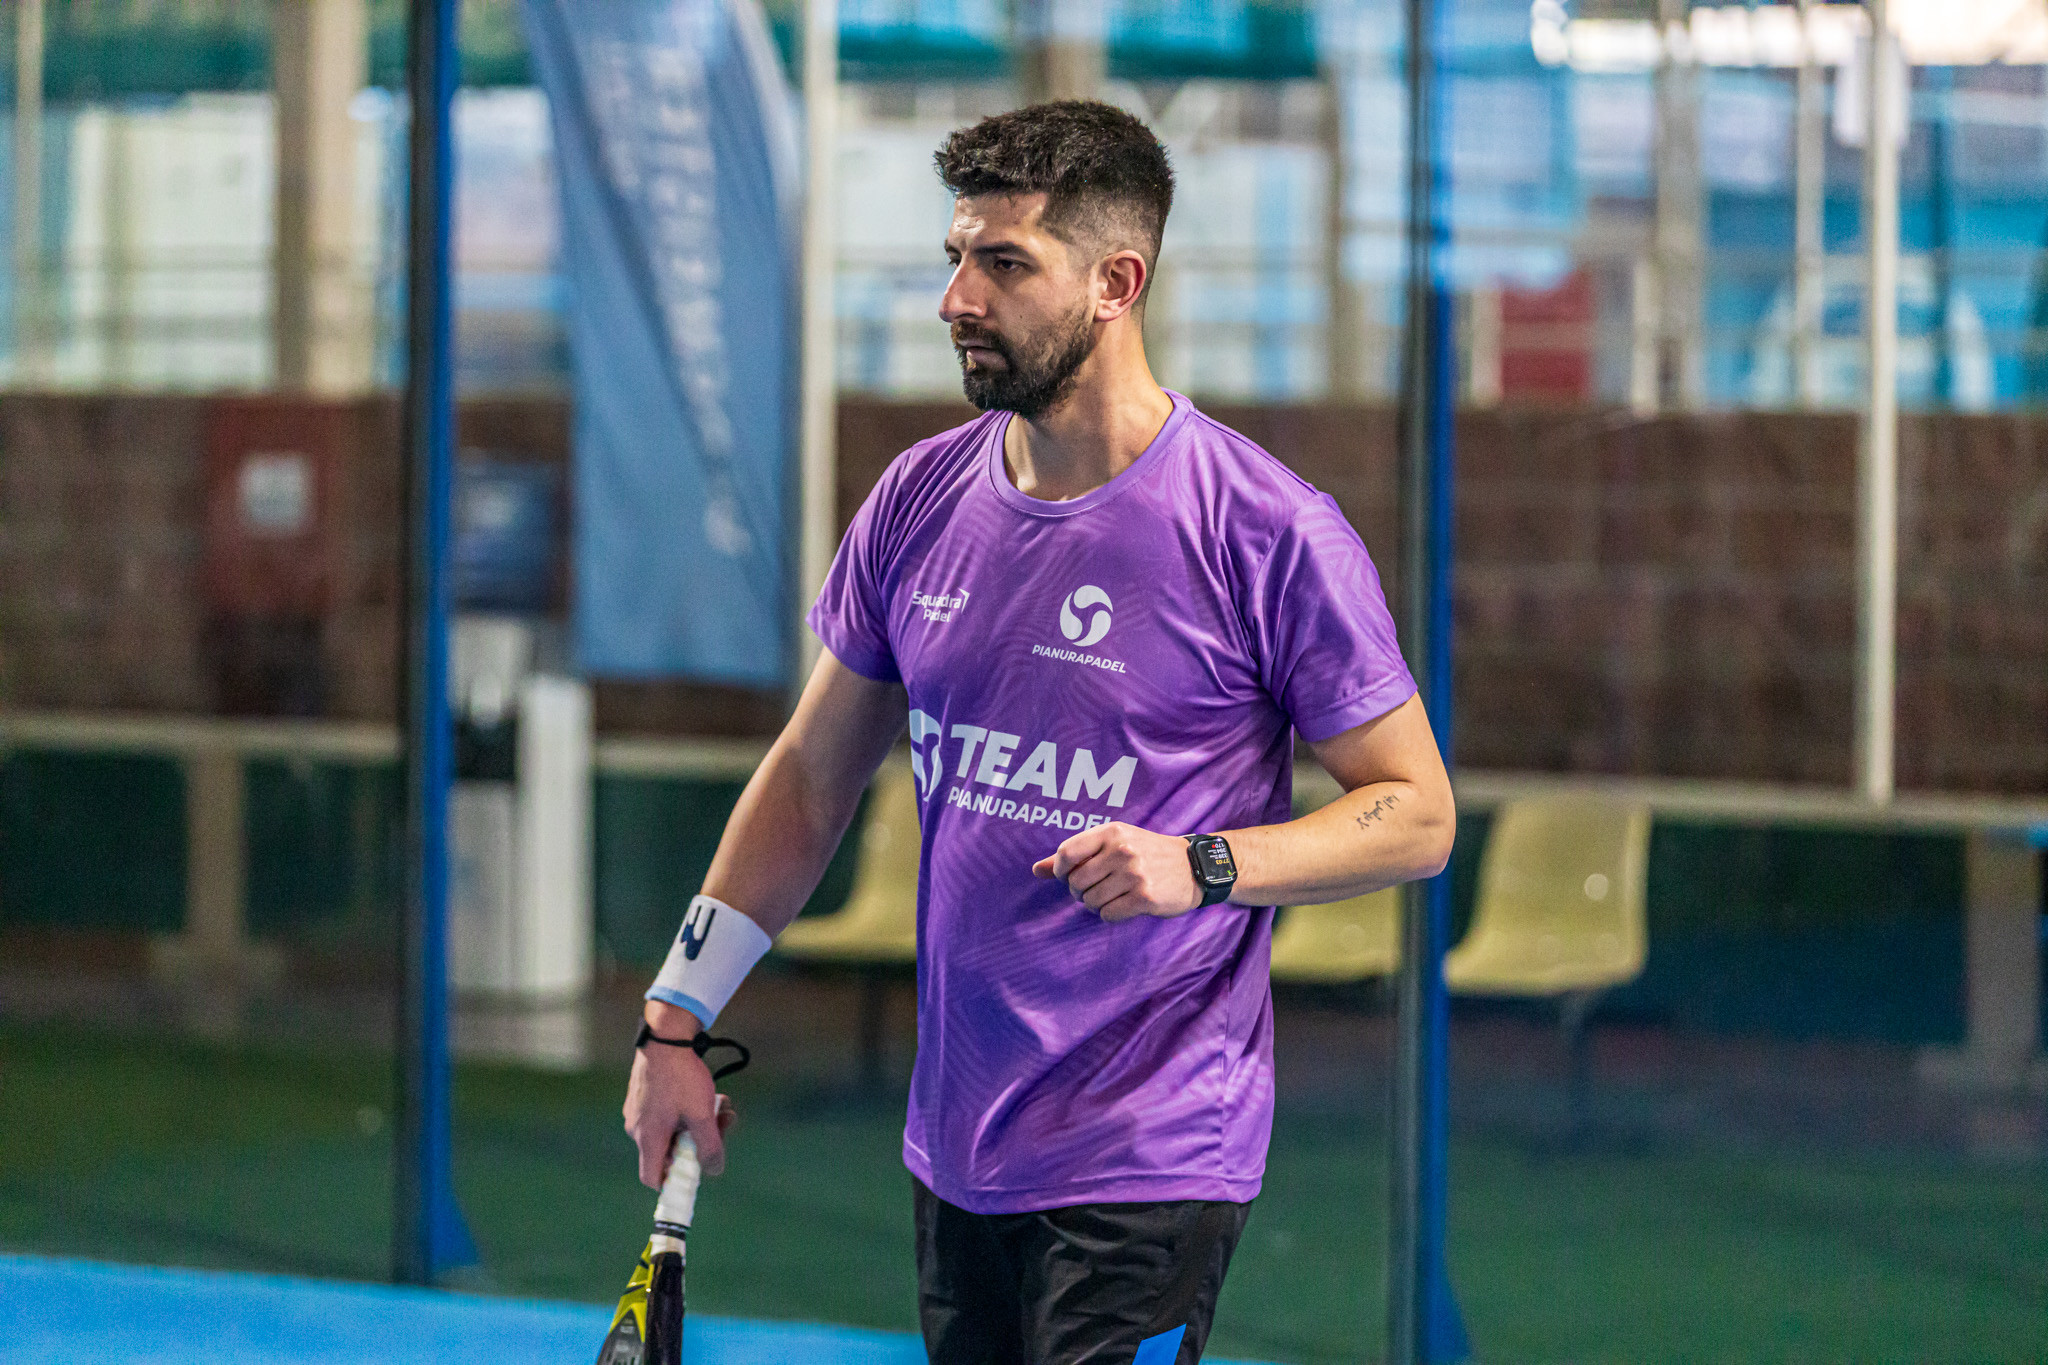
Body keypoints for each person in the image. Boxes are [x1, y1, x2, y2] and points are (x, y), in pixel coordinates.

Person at [623, 99, 1454, 1365]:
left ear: (1116, 284)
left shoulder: (1266, 531)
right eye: (956, 256)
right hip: (957, 1147)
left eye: (1004, 264)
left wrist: (1203, 864)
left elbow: (1415, 812)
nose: (957, 298)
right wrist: (675, 1018)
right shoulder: (916, 499)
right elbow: (807, 780)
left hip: (1151, 1155)